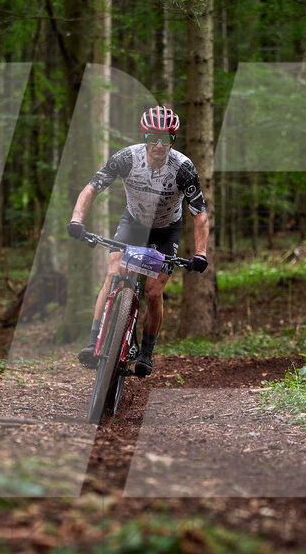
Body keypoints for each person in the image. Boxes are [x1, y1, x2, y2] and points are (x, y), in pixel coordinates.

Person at [67, 105, 210, 377]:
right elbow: (92, 187)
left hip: (166, 230)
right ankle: (94, 343)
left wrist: (201, 252)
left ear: (173, 139)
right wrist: (76, 220)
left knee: (154, 292)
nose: (159, 144)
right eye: (153, 137)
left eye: (166, 138)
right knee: (114, 274)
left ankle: (146, 352)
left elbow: (199, 213)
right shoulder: (127, 158)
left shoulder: (183, 168)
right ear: (145, 137)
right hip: (133, 224)